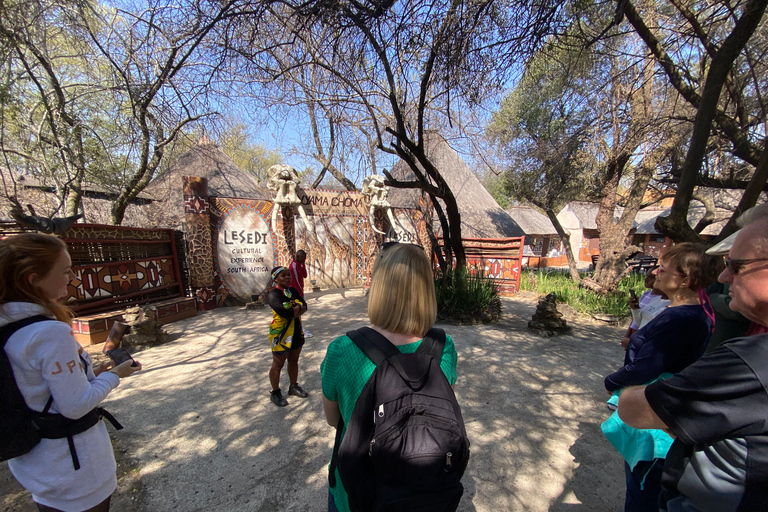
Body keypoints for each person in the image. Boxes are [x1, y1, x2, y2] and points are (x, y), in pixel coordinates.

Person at [618, 202, 768, 512]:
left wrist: (623, 386)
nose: (725, 277)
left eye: (737, 266)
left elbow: (638, 407)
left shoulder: (752, 362)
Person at [0, 233, 142, 512]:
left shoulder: (9, 325)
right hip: (73, 465)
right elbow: (75, 405)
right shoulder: (49, 333)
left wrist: (90, 373)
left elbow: (32, 384)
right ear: (33, 279)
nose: (71, 277)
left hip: (36, 462)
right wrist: (114, 376)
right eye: (64, 272)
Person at [320, 243, 458, 512]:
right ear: (426, 289)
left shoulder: (343, 349)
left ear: (379, 286)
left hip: (356, 495)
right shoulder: (445, 347)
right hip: (423, 492)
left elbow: (333, 419)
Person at [604, 243, 719, 512]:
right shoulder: (685, 310)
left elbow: (646, 367)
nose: (656, 271)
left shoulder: (681, 319)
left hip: (655, 407)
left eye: (663, 268)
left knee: (644, 486)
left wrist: (611, 382)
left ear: (686, 280)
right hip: (658, 401)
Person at [265, 266, 309, 407]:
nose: (288, 277)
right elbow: (284, 312)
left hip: (296, 331)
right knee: (278, 364)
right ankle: (275, 392)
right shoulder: (273, 295)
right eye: (283, 275)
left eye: (288, 275)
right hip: (281, 334)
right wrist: (297, 308)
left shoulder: (293, 291)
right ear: (275, 279)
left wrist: (294, 309)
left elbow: (305, 306)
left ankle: (293, 386)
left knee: (294, 361)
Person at [620, 272, 670, 350]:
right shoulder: (654, 299)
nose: (646, 280)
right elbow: (640, 322)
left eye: (657, 279)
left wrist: (634, 343)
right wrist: (635, 310)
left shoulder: (672, 307)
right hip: (638, 341)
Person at [289, 250, 313, 338]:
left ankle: (299, 329)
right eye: (303, 258)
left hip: (299, 290)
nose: (305, 259)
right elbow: (295, 281)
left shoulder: (300, 265)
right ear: (298, 257)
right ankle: (300, 330)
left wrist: (303, 266)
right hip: (295, 291)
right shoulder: (294, 266)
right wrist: (300, 293)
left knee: (300, 310)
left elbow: (305, 275)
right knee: (300, 309)